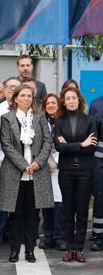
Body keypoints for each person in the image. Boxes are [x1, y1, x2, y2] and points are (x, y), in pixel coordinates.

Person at [0, 84, 53, 263]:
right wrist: (23, 165)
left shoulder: (40, 117)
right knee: (15, 214)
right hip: (14, 172)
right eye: (23, 95)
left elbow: (47, 142)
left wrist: (37, 163)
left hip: (37, 173)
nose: (26, 98)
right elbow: (6, 144)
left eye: (29, 96)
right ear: (15, 98)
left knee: (33, 214)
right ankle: (14, 250)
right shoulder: (6, 118)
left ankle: (30, 251)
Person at [55, 87, 97, 263]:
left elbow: (92, 147)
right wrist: (81, 144)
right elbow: (58, 147)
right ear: (63, 101)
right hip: (65, 172)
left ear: (79, 100)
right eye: (68, 98)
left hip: (85, 172)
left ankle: (79, 249)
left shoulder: (90, 120)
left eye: (74, 98)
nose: (71, 100)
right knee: (67, 211)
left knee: (81, 212)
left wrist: (70, 145)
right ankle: (69, 248)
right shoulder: (59, 122)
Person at [0, 76, 20, 246]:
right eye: (10, 87)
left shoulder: (26, 110)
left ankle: (13, 231)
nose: (13, 90)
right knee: (0, 199)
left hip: (20, 163)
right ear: (5, 90)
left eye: (16, 87)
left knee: (16, 200)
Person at [39, 94, 66, 251]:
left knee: (60, 204)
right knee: (46, 204)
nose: (50, 105)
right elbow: (38, 145)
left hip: (61, 167)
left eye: (53, 103)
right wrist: (49, 162)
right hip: (45, 168)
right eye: (47, 103)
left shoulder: (64, 122)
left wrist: (58, 163)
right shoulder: (41, 122)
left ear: (58, 105)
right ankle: (48, 237)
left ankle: (60, 237)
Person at [88, 91, 103, 251]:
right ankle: (99, 236)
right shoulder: (96, 104)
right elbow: (93, 133)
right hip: (100, 159)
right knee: (100, 196)